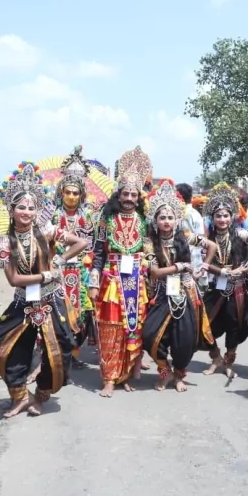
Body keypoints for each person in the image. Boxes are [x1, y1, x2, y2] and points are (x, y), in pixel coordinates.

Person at [0, 161, 87, 417]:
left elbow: (81, 242)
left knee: (60, 353)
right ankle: (21, 395)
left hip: (51, 300)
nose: (27, 212)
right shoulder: (4, 239)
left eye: (32, 208)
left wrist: (59, 261)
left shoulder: (47, 229)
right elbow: (14, 280)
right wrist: (45, 274)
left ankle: (41, 395)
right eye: (21, 207)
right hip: (23, 302)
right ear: (11, 209)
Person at [88, 146, 152, 397]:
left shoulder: (145, 220)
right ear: (118, 194)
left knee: (133, 329)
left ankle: (126, 375)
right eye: (125, 193)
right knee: (110, 330)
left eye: (133, 194)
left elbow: (149, 251)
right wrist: (94, 282)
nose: (129, 198)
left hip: (137, 282)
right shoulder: (106, 219)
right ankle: (109, 379)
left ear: (138, 197)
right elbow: (98, 254)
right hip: (112, 281)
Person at [141, 180, 217, 391]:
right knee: (150, 335)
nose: (166, 221)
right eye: (162, 217)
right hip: (162, 292)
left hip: (185, 292)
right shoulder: (149, 242)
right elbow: (155, 273)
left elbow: (211, 245)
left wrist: (204, 266)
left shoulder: (186, 236)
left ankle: (179, 375)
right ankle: (164, 371)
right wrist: (181, 265)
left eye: (170, 217)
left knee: (184, 339)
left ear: (177, 219)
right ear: (155, 220)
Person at [200, 182, 248, 379]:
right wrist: (222, 271)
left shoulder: (239, 233)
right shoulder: (207, 237)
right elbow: (205, 264)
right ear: (212, 217)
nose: (222, 219)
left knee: (235, 325)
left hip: (237, 288)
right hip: (215, 286)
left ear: (232, 216)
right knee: (205, 323)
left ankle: (228, 362)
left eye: (226, 215)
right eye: (218, 216)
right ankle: (215, 357)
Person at [50, 146, 97, 367]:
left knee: (81, 314)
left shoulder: (88, 215)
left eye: (75, 193)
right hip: (57, 269)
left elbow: (91, 244)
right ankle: (55, 351)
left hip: (80, 272)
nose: (71, 197)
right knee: (57, 310)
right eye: (67, 192)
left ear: (81, 195)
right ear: (61, 193)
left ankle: (75, 352)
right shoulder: (53, 214)